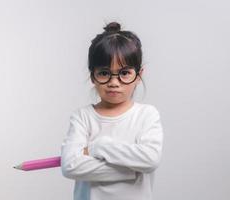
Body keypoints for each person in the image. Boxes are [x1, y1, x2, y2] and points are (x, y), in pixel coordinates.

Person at [61, 21, 164, 200]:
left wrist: (97, 147)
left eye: (124, 73)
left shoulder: (146, 115)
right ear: (92, 75)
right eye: (104, 73)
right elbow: (70, 166)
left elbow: (150, 159)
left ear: (139, 75)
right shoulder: (82, 117)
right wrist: (131, 171)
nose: (114, 82)